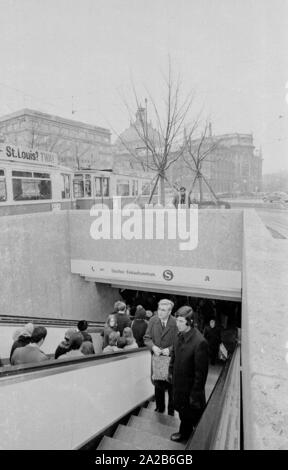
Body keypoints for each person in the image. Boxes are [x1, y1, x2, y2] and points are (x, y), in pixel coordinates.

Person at [169, 306, 209, 443]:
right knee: (182, 413)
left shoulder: (200, 343)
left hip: (190, 391)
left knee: (191, 416)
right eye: (177, 320)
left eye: (181, 321)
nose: (177, 324)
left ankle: (191, 437)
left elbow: (201, 375)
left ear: (190, 322)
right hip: (179, 386)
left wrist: (194, 396)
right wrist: (170, 371)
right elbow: (174, 356)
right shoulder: (179, 335)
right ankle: (185, 433)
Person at [144, 299, 178, 416]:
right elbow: (147, 338)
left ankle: (171, 410)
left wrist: (169, 349)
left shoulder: (176, 323)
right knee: (158, 386)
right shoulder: (153, 320)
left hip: (171, 361)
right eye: (159, 309)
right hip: (158, 359)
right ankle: (159, 408)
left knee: (171, 387)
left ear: (169, 311)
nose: (160, 312)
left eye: (163, 310)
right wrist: (153, 347)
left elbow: (180, 342)